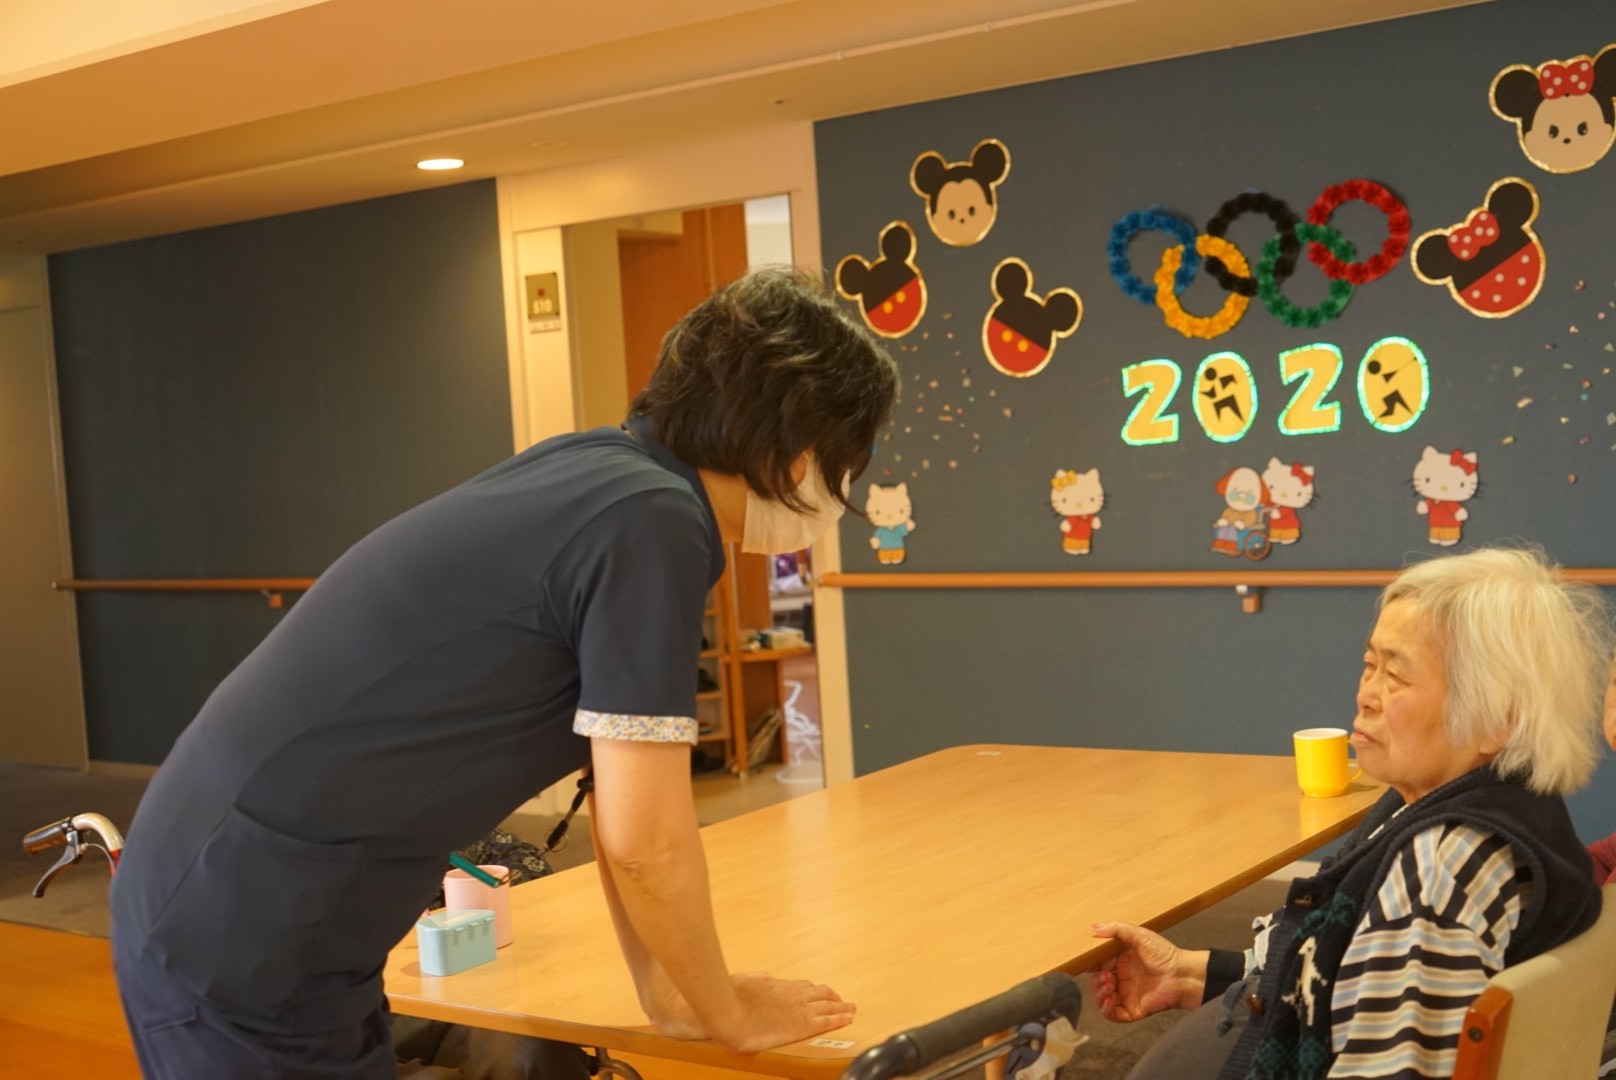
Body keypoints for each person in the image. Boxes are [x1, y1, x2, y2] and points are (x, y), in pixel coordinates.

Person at [109, 266, 899, 1078]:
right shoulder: (653, 524)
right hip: (243, 919)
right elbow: (646, 843)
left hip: (245, 889)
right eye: (842, 460)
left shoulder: (609, 474)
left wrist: (674, 998)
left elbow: (622, 802)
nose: (834, 487)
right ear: (793, 447)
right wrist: (728, 1013)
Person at [1089, 546, 1611, 1080]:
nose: (1366, 695)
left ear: (1497, 720)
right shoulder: (1474, 802)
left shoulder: (1438, 868)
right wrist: (1190, 974)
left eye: (1396, 676)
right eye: (1370, 665)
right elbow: (1332, 964)